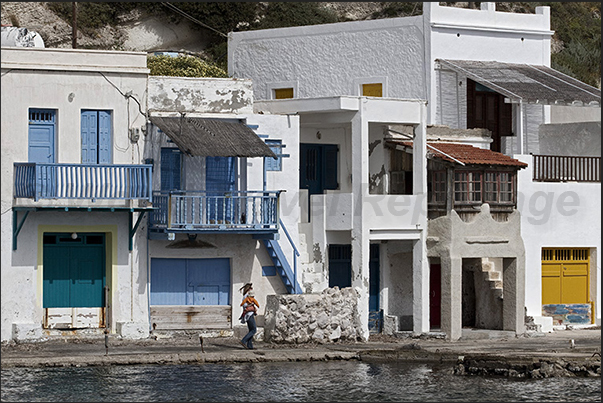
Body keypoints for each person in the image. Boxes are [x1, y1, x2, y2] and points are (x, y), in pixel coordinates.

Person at [239, 283, 258, 350]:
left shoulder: (247, 296)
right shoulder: (247, 296)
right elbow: (245, 305)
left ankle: (250, 346)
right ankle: (243, 341)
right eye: (251, 288)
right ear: (248, 289)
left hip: (248, 315)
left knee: (251, 330)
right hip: (249, 315)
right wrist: (252, 306)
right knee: (254, 330)